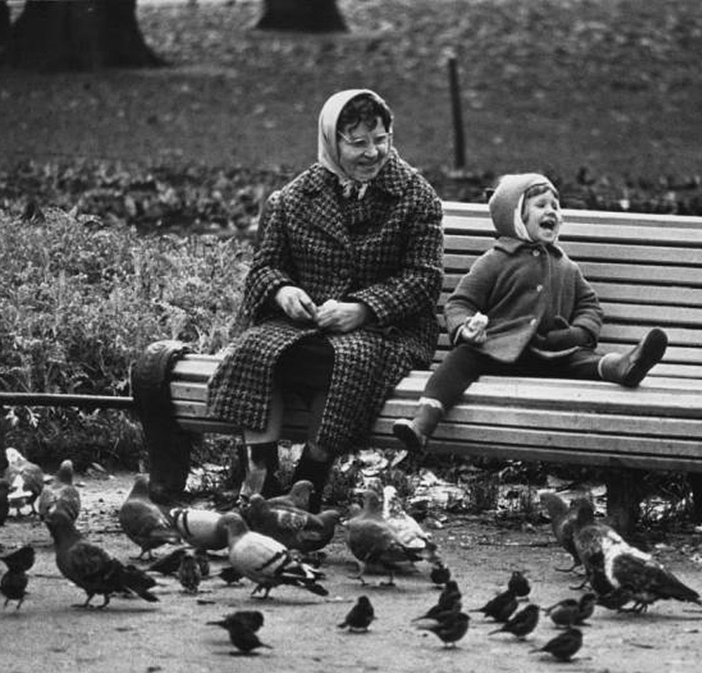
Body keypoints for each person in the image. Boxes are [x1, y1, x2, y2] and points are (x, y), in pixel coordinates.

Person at [207, 88, 444, 512]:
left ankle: (310, 478)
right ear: (333, 143)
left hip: (387, 329)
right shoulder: (296, 197)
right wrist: (283, 291)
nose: (373, 152)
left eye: (381, 139)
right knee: (255, 348)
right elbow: (264, 268)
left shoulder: (416, 196)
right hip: (306, 324)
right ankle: (258, 474)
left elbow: (423, 279)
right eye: (358, 143)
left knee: (343, 360)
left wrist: (364, 308)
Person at [392, 172, 667, 453]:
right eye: (540, 205)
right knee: (461, 359)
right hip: (497, 351)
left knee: (582, 359)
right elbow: (459, 303)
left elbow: (590, 306)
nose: (551, 211)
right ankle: (423, 423)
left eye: (555, 206)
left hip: (552, 353)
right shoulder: (495, 261)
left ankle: (624, 367)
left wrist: (577, 333)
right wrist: (466, 328)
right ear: (515, 217)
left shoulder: (565, 266)